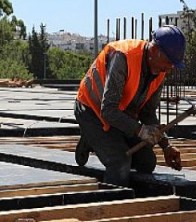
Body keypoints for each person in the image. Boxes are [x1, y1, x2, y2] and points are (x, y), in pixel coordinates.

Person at [74, 25, 185, 187]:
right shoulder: (124, 57)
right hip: (91, 111)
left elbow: (148, 113)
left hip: (120, 115)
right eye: (169, 62)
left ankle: (99, 141)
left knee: (147, 163)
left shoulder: (159, 71)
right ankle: (111, 203)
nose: (169, 68)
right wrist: (140, 131)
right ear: (155, 50)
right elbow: (108, 110)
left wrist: (165, 145)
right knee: (120, 162)